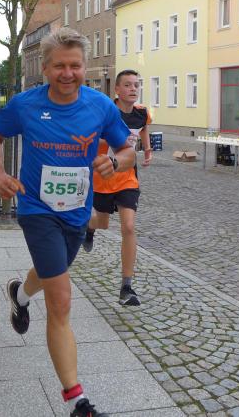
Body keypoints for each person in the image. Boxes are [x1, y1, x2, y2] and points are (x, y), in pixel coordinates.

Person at [0, 27, 135, 417]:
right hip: (36, 210)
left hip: (77, 213)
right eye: (59, 66)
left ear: (85, 66)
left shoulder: (100, 106)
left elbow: (127, 150)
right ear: (46, 69)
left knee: (53, 273)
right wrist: (0, 175)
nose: (68, 74)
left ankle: (19, 295)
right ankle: (77, 401)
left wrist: (115, 161)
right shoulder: (25, 105)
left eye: (75, 66)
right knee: (61, 299)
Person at [82, 69, 152, 307]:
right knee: (102, 222)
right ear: (117, 90)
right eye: (128, 85)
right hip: (103, 177)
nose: (133, 89)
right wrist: (117, 140)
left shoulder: (142, 113)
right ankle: (89, 227)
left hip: (127, 177)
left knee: (129, 226)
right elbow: (90, 139)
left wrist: (147, 150)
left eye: (136, 85)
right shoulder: (105, 112)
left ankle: (126, 287)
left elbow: (144, 129)